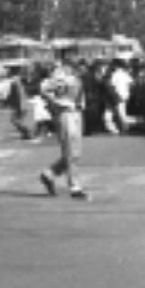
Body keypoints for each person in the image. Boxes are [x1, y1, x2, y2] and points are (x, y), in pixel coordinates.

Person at [38, 51, 89, 200]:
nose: (77, 58)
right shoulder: (59, 74)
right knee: (70, 150)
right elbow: (44, 88)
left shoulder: (75, 73)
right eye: (73, 55)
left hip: (77, 112)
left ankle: (50, 173)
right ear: (66, 58)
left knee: (75, 152)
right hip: (66, 113)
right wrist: (55, 102)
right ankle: (74, 186)